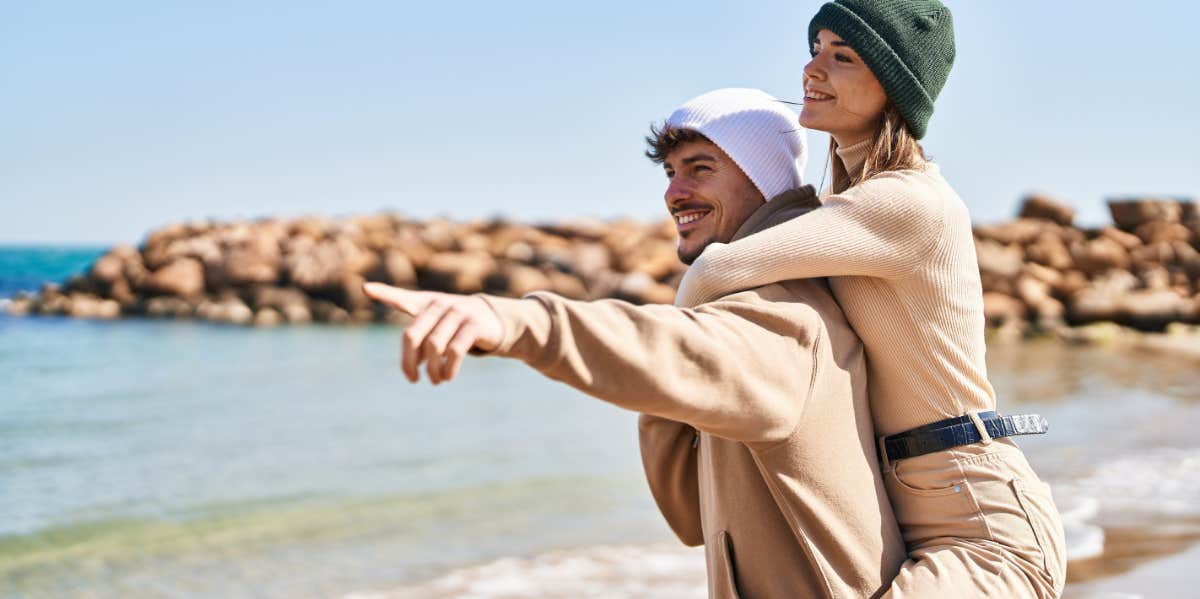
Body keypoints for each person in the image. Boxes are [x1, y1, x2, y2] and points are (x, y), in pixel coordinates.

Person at [363, 88, 906, 598]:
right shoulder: (742, 297)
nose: (674, 193)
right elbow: (689, 515)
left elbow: (675, 351)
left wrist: (518, 323)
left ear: (764, 181)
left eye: (701, 168)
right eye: (670, 172)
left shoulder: (786, 312)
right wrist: (671, 386)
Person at [673, 2, 1066, 597]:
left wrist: (664, 345)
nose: (813, 69)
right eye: (815, 49)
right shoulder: (846, 206)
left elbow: (715, 271)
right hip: (905, 512)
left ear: (893, 88)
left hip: (979, 523)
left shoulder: (905, 203)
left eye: (842, 57)